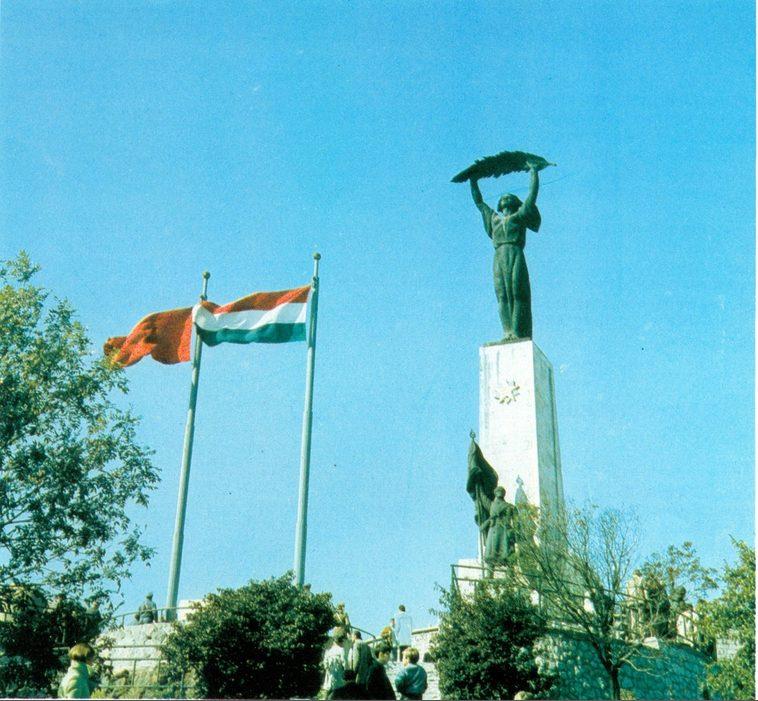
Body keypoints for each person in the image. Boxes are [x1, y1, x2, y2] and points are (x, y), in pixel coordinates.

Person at [470, 162, 546, 341]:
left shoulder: (519, 216)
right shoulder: (493, 219)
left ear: (514, 203)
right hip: (499, 255)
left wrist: (534, 172)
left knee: (517, 292)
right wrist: (473, 181)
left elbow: (532, 196)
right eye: (503, 197)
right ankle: (507, 331)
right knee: (502, 294)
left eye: (509, 196)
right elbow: (479, 202)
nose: (505, 197)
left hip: (515, 252)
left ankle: (517, 331)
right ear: (499, 205)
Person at [483, 486, 514, 567]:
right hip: (493, 530)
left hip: (504, 530)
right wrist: (478, 484)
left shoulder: (509, 506)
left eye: (501, 491)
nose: (500, 492)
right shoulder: (491, 505)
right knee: (491, 554)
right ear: (495, 493)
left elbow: (512, 520)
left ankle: (510, 572)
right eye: (498, 491)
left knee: (507, 554)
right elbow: (483, 498)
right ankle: (490, 572)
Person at [320, 629, 348, 699]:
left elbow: (325, 665)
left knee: (327, 694)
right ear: (341, 641)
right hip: (339, 678)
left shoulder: (328, 651)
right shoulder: (341, 650)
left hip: (329, 677)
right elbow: (345, 664)